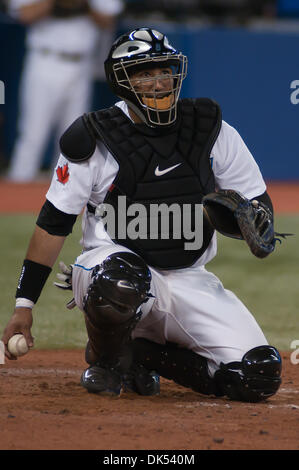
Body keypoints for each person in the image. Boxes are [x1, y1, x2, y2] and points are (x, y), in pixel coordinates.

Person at [2, 27, 283, 401]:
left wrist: (249, 222)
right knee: (119, 279)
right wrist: (24, 306)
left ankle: (137, 354)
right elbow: (54, 222)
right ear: (122, 81)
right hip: (108, 268)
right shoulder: (95, 136)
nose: (158, 81)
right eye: (145, 73)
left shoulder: (212, 131)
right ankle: (107, 359)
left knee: (258, 376)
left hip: (187, 277)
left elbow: (259, 207)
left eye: (164, 70)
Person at [6, 0, 123, 182]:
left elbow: (108, 19)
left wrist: (80, 4)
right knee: (33, 133)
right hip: (45, 59)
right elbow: (24, 14)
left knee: (73, 134)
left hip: (81, 64)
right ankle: (18, 189)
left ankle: (64, 194)